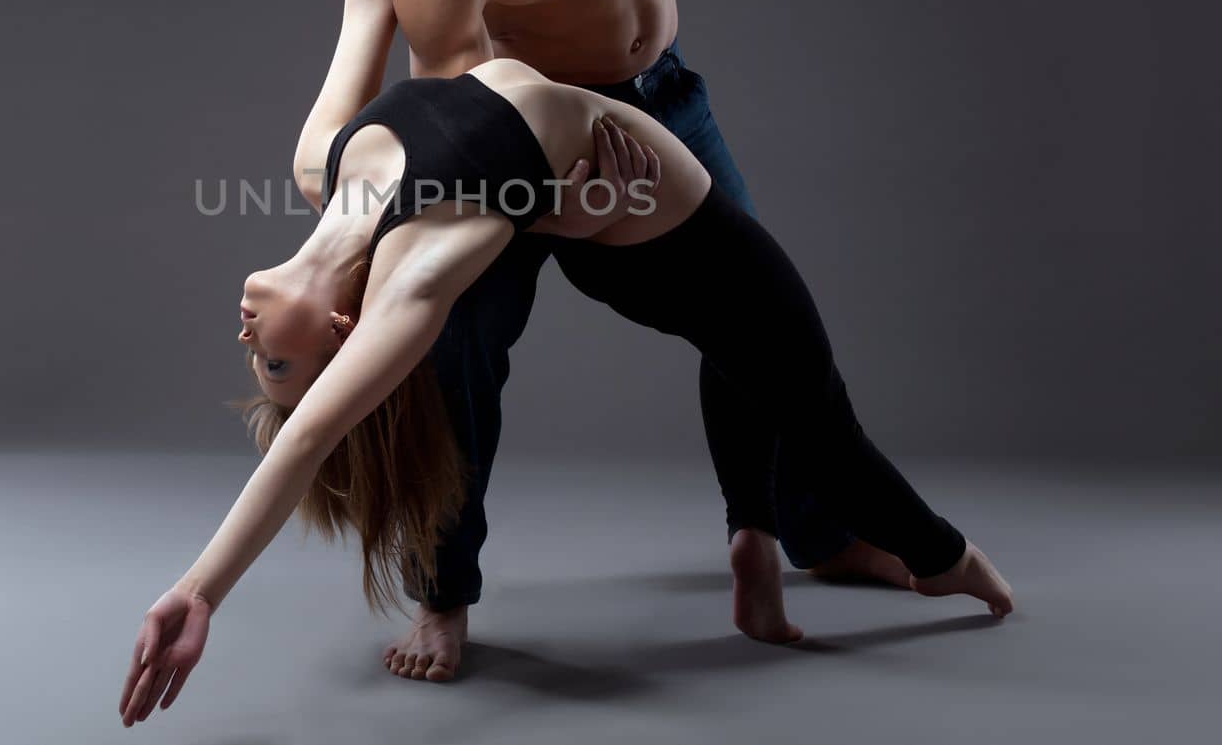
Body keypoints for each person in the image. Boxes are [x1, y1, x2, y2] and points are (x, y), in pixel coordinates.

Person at [263, 0, 900, 681]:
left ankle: (784, 532)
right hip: (537, 136)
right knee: (455, 345)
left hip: (660, 93)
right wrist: (356, 220)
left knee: (754, 314)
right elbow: (459, 96)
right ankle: (443, 595)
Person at [116, 58, 1013, 724]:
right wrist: (200, 590)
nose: (246, 340)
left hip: (615, 214)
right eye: (273, 364)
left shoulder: (328, 162)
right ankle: (952, 566)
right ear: (346, 343)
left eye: (262, 365)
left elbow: (365, 10)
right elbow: (309, 440)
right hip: (683, 253)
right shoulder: (415, 274)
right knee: (826, 431)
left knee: (758, 379)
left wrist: (562, 212)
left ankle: (756, 543)